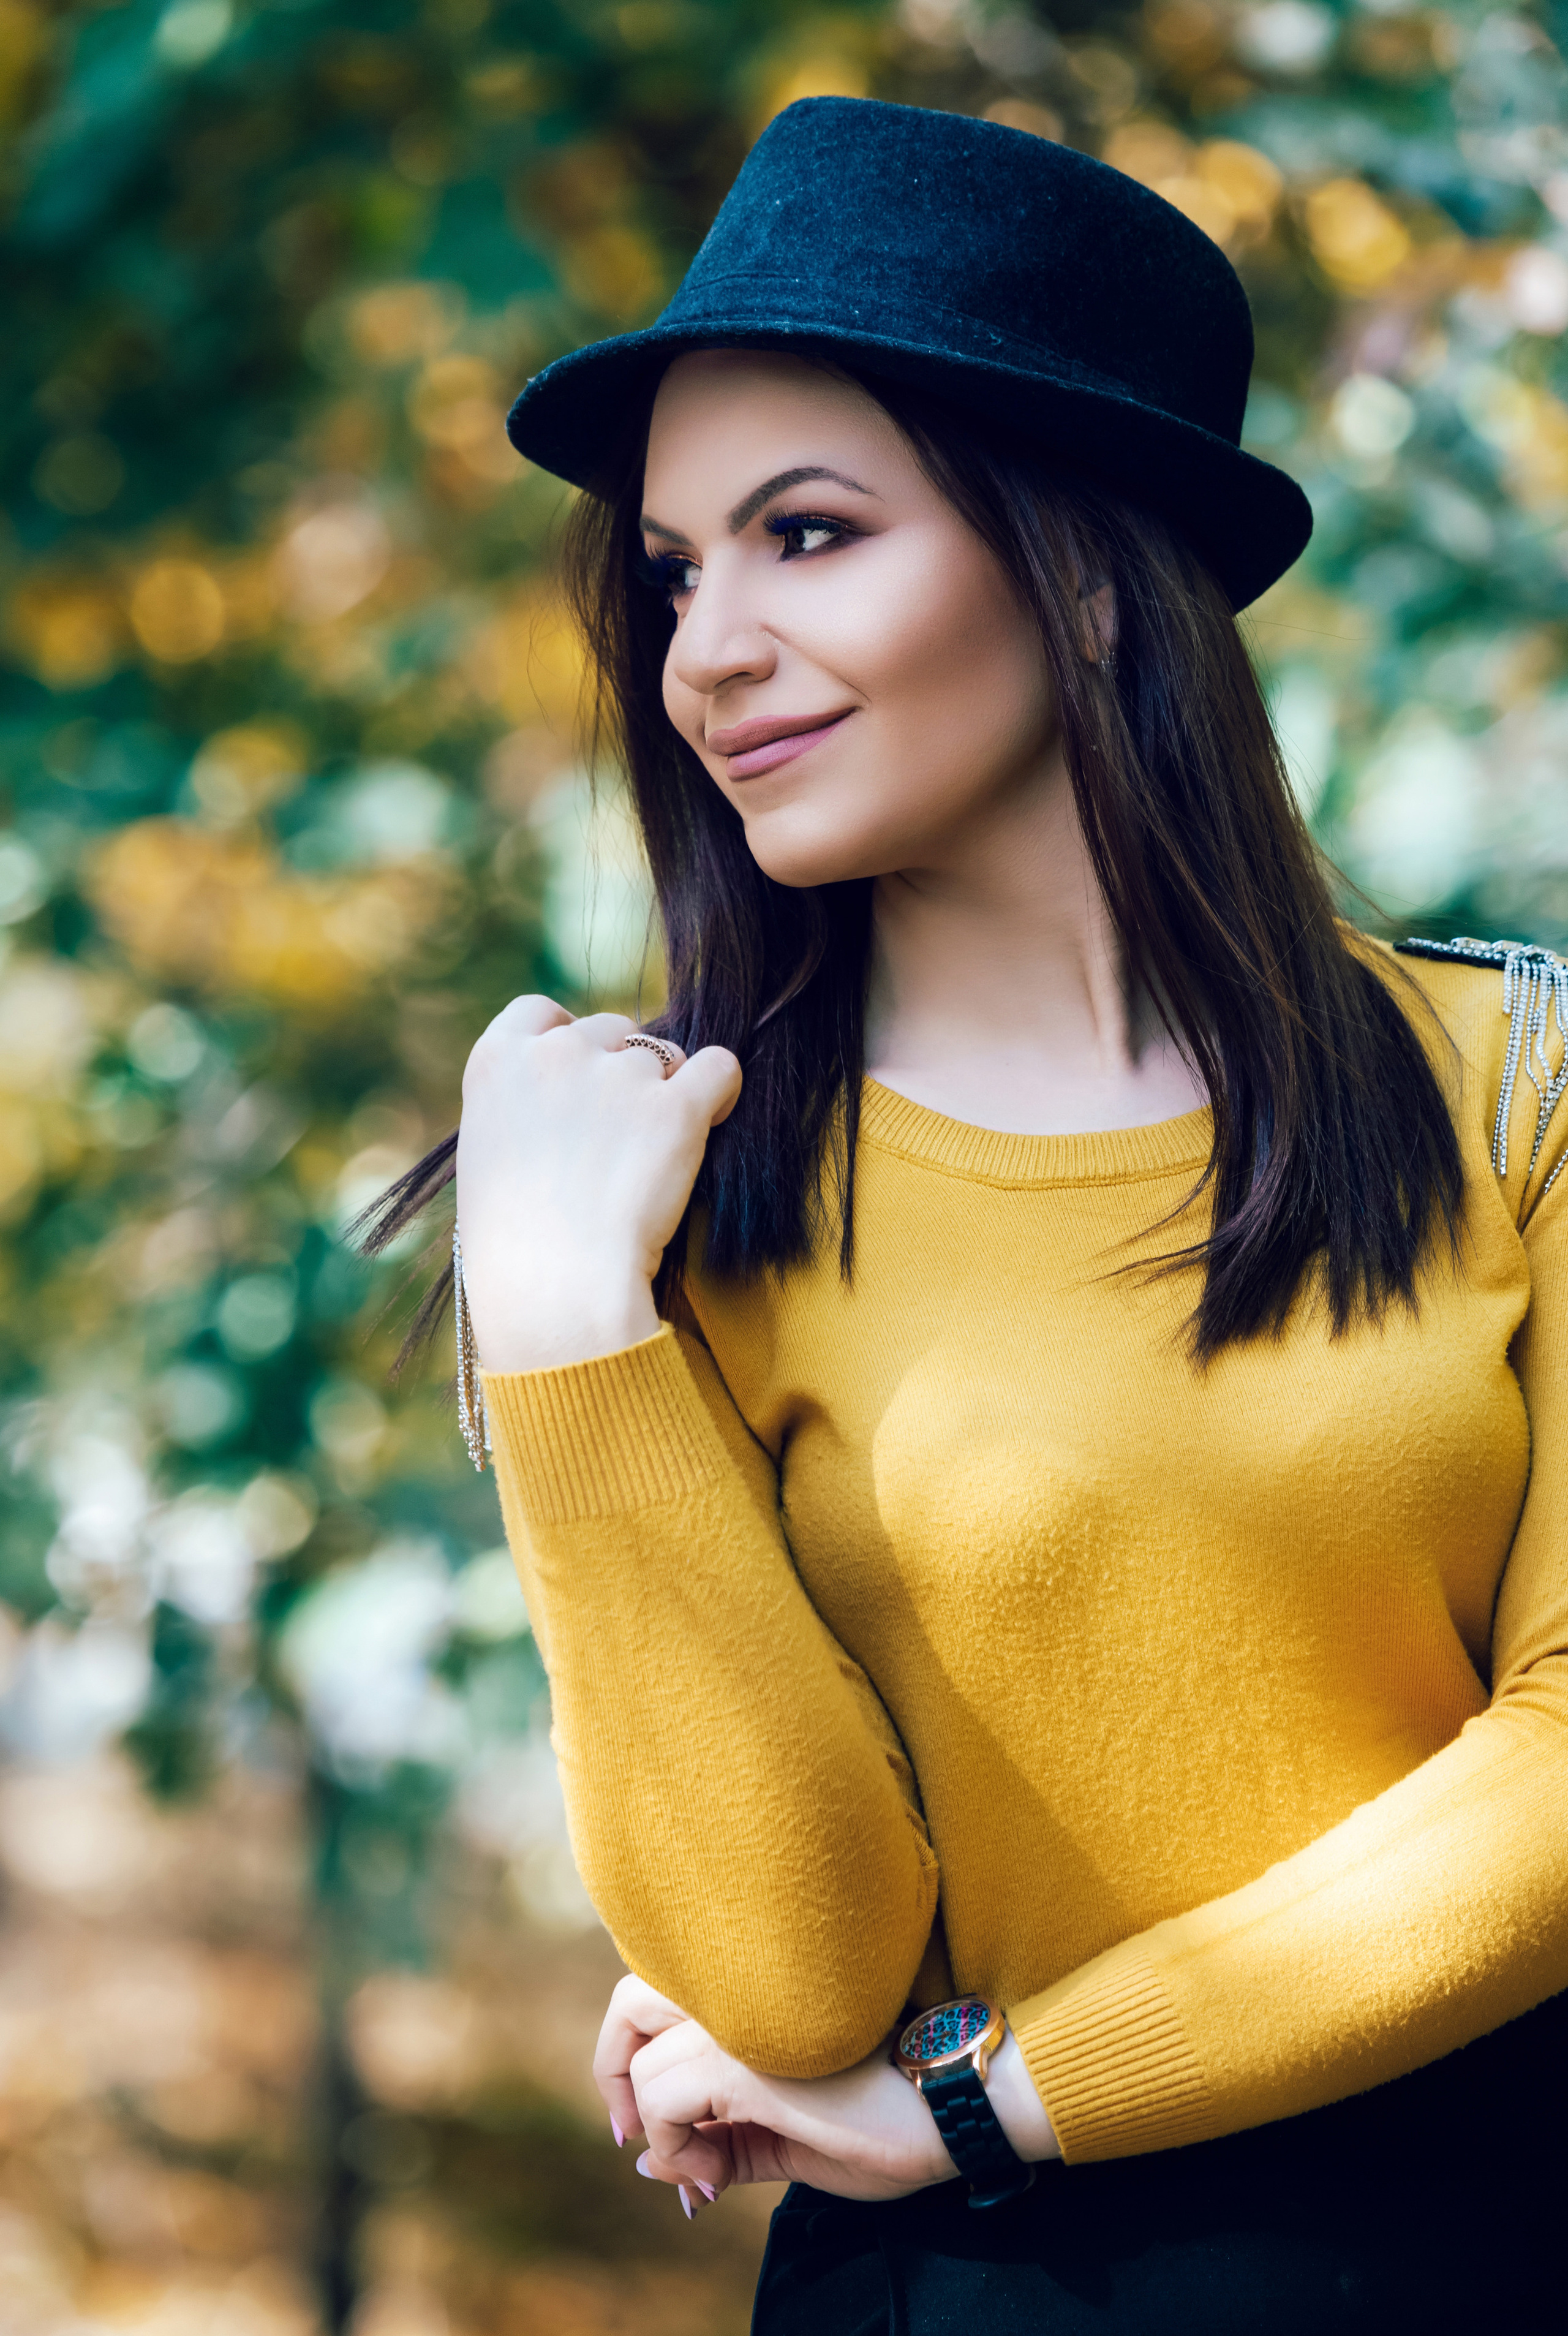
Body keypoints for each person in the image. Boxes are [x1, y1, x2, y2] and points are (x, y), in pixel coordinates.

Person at [368, 99, 1568, 2330]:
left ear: (1094, 568)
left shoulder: (1522, 1090)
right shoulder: (656, 1195)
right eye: (672, 570)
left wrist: (1003, 2096)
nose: (701, 648)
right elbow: (786, 1973)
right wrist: (553, 1328)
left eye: (805, 536)